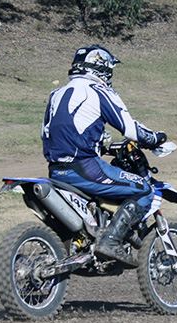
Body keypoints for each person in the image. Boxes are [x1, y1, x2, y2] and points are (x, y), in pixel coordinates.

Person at [42, 46, 167, 265]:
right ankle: (110, 242)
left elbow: (49, 132)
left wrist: (98, 146)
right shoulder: (98, 90)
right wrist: (156, 138)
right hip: (84, 167)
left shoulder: (57, 93)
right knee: (144, 190)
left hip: (55, 169)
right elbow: (130, 129)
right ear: (102, 68)